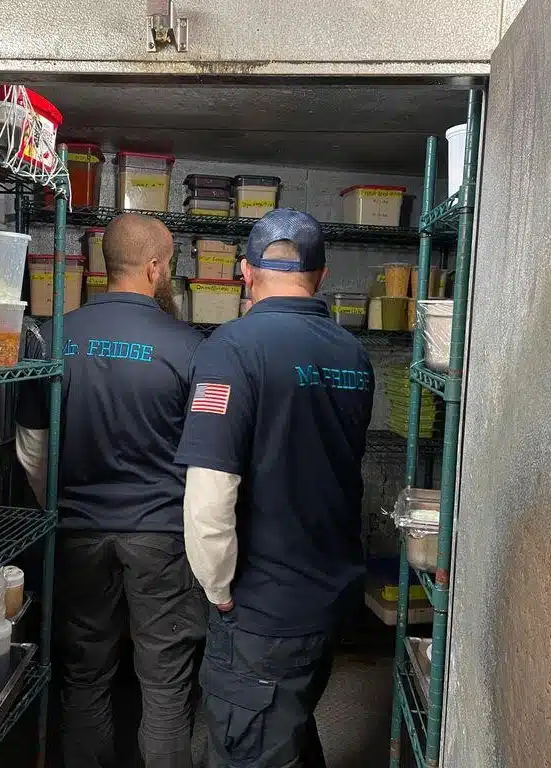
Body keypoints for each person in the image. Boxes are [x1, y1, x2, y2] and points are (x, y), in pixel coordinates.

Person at [175, 209, 375, 768]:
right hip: (330, 597)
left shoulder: (231, 349)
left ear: (244, 271)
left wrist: (216, 588)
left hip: (264, 610)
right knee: (287, 722)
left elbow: (211, 494)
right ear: (323, 275)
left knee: (249, 744)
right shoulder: (351, 355)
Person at [16, 213, 206, 768]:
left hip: (76, 531)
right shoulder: (189, 346)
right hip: (162, 535)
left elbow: (32, 447)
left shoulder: (52, 337)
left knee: (84, 677)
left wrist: (62, 502)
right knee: (167, 682)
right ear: (153, 268)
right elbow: (205, 462)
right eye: (169, 263)